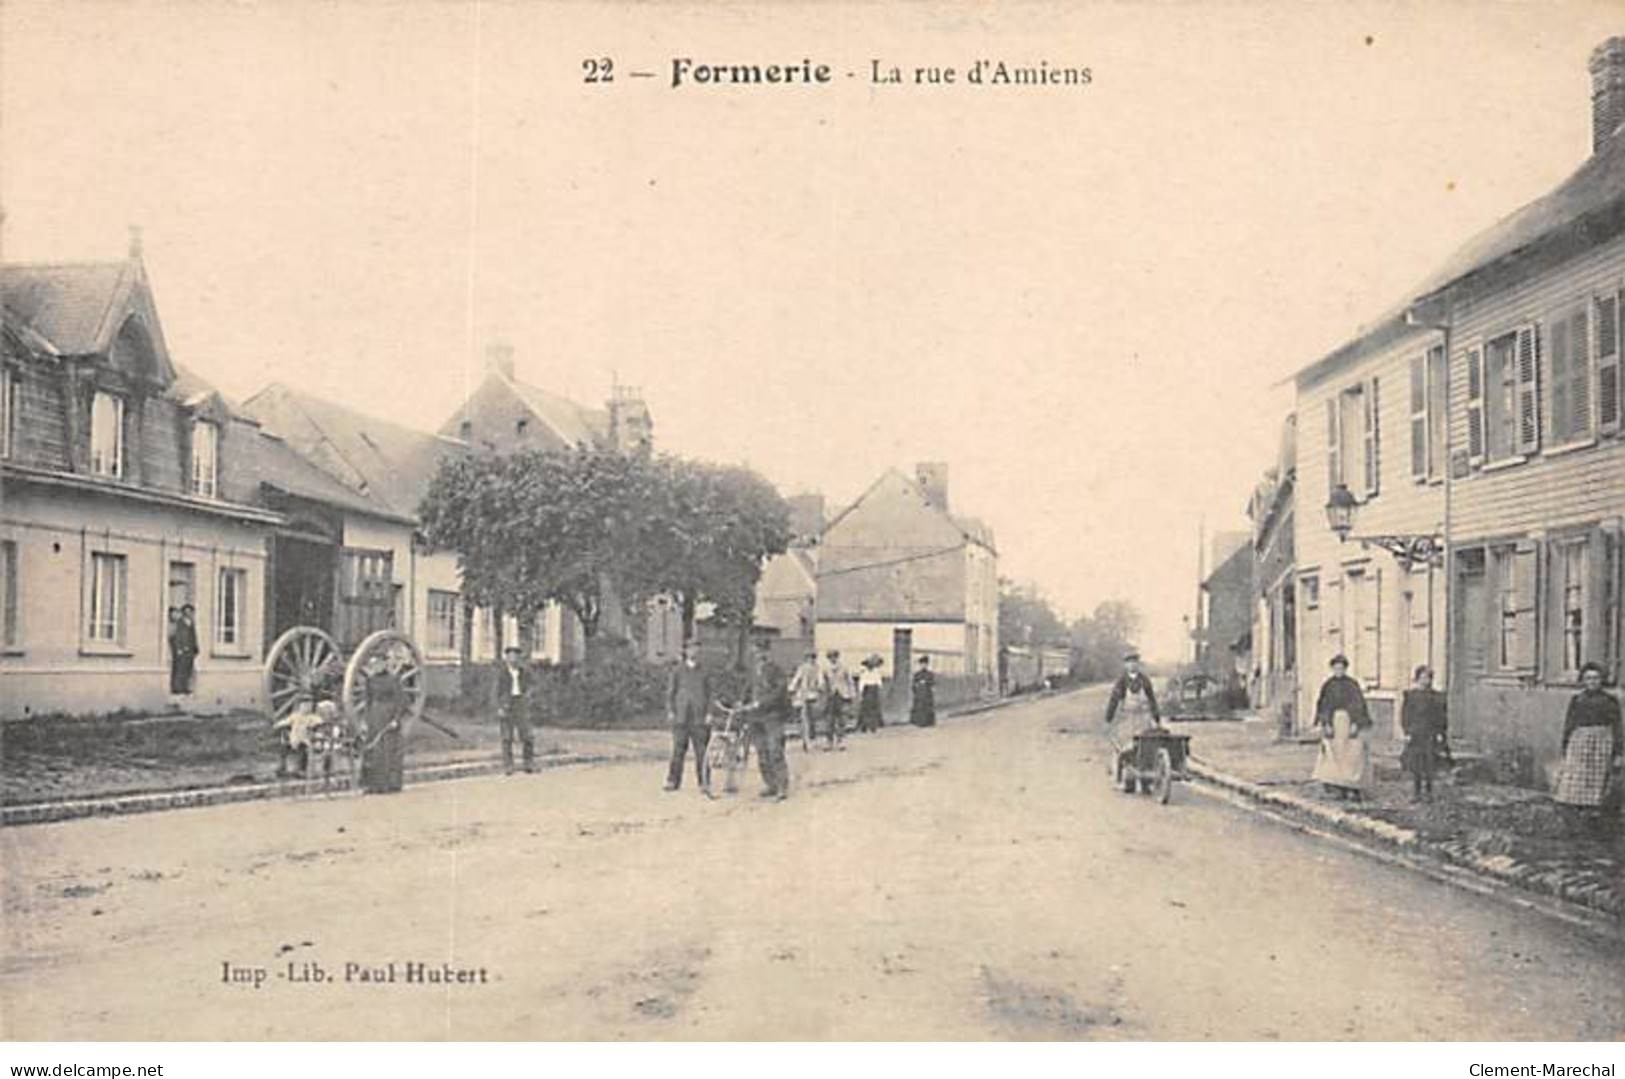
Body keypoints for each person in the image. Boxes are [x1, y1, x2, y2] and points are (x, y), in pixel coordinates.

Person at [1554, 661, 1623, 832]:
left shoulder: (1610, 701)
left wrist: (1619, 752)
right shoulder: (1577, 700)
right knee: (1577, 777)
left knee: (1598, 779)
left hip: (1602, 742)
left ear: (1601, 680)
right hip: (1580, 741)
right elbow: (1569, 724)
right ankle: (1577, 818)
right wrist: (1566, 745)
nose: (1592, 682)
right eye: (1588, 678)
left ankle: (1595, 817)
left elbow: (1618, 726)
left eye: (1596, 678)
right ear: (1583, 680)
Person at [1312, 654, 1373, 800]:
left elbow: (1358, 705)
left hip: (1349, 723)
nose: (1339, 670)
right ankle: (1338, 786)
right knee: (1335, 754)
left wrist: (1355, 723)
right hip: (1334, 724)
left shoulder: (1352, 685)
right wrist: (1326, 723)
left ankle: (1352, 787)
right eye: (1336, 667)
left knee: (1352, 754)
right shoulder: (1328, 685)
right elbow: (1324, 705)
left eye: (1341, 667)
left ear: (1346, 668)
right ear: (1332, 668)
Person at [743, 638, 792, 800]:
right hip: (756, 718)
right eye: (755, 651)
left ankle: (782, 787)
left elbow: (779, 692)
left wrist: (761, 703)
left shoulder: (776, 670)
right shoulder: (752, 671)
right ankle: (770, 784)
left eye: (760, 651)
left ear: (766, 652)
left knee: (775, 750)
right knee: (761, 752)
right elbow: (747, 690)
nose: (757, 654)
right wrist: (741, 702)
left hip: (773, 716)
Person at [1103, 651, 1160, 782]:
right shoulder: (1122, 681)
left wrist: (1156, 719)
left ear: (1138, 664)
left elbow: (1152, 700)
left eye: (1135, 662)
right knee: (1125, 748)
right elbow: (1114, 700)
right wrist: (1108, 719)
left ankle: (1145, 776)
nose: (1132, 665)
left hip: (1143, 718)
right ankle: (1120, 775)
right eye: (1129, 662)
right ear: (1125, 665)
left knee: (1145, 745)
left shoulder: (1144, 680)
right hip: (1127, 718)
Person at [665, 640, 712, 791]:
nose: (693, 651)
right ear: (685, 651)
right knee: (678, 750)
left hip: (699, 717)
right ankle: (673, 781)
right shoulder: (678, 670)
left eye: (696, 648)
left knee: (701, 751)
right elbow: (671, 692)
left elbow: (711, 694)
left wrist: (709, 713)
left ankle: (704, 782)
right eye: (690, 648)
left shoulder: (704, 671)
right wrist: (671, 711)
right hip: (681, 716)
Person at [1399, 665, 1448, 801]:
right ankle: (1417, 792)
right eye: (1422, 678)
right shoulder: (1411, 696)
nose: (1425, 681)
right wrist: (1407, 732)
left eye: (1427, 678)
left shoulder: (1436, 696)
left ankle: (1429, 792)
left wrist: (1440, 733)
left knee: (1429, 763)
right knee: (1416, 764)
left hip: (1430, 733)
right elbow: (1405, 715)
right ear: (1417, 679)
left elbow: (1441, 716)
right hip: (1416, 734)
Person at [359, 660, 406, 794]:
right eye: (374, 665)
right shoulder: (370, 680)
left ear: (384, 665)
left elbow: (400, 700)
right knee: (373, 750)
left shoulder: (393, 679)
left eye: (379, 664)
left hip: (389, 714)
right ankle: (371, 785)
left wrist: (396, 719)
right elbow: (367, 700)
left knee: (388, 749)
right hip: (374, 715)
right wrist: (365, 720)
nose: (377, 667)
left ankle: (389, 784)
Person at [494, 644, 535, 774]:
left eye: (516, 656)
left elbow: (531, 686)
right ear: (506, 658)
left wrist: (528, 697)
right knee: (507, 737)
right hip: (507, 704)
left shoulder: (524, 672)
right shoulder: (501, 674)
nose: (513, 659)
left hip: (521, 704)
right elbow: (496, 692)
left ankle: (528, 763)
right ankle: (508, 765)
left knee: (527, 736)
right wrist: (500, 707)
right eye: (510, 656)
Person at [787, 649, 824, 751]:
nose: (811, 660)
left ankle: (810, 738)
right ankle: (807, 739)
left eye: (812, 657)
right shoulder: (804, 668)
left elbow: (820, 681)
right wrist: (792, 689)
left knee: (810, 718)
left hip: (811, 695)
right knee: (806, 718)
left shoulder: (816, 668)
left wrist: (820, 688)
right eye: (809, 657)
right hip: (805, 695)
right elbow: (796, 680)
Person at [821, 649, 854, 750]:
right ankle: (829, 741)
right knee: (829, 719)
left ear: (837, 657)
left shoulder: (844, 667)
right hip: (831, 696)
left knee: (841, 719)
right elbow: (823, 682)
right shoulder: (826, 668)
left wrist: (851, 694)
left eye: (834, 656)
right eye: (830, 657)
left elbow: (849, 681)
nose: (833, 659)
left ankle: (841, 740)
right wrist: (823, 691)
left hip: (842, 695)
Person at [169, 604, 198, 696]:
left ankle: (186, 687)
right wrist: (179, 648)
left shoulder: (191, 623)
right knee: (180, 668)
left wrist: (196, 647)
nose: (188, 614)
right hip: (182, 649)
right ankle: (178, 688)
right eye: (186, 612)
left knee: (188, 668)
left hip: (190, 649)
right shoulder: (180, 623)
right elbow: (177, 637)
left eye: (190, 612)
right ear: (183, 613)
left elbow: (194, 636)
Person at [856, 655, 885, 733]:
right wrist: (861, 691)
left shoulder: (876, 671)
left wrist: (880, 688)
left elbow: (879, 681)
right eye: (869, 664)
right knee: (865, 709)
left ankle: (873, 726)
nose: (870, 666)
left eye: (871, 664)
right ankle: (864, 726)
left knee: (874, 708)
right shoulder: (864, 672)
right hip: (867, 690)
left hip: (874, 690)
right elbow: (862, 682)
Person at [909, 655, 936, 727]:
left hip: (927, 694)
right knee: (919, 707)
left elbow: (932, 684)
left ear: (927, 665)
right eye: (922, 664)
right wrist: (917, 686)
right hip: (919, 694)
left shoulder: (930, 674)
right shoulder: (917, 674)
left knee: (927, 707)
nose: (923, 666)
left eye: (925, 664)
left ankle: (928, 722)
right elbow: (914, 684)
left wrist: (927, 684)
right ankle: (919, 722)